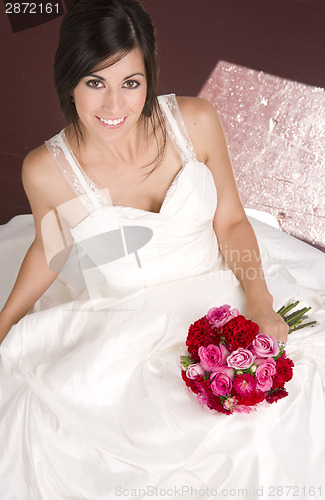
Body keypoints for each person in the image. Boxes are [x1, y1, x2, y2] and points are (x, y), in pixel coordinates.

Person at [0, 0, 324, 498]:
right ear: (68, 81)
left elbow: (232, 221)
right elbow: (52, 248)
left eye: (130, 82)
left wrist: (259, 304)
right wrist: (1, 326)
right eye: (95, 83)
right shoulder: (47, 170)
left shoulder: (194, 122)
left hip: (220, 293)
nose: (114, 107)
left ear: (149, 76)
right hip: (126, 321)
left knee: (275, 421)